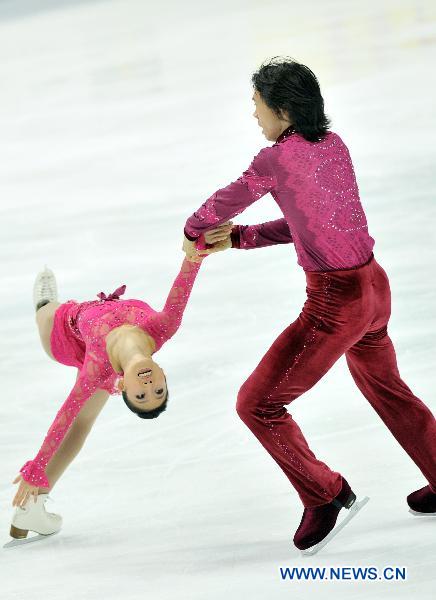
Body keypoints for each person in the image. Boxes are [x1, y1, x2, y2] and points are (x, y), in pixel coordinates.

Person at [181, 56, 436, 552]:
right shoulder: (334, 146)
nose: (254, 115)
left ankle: (325, 493)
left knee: (257, 403)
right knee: (389, 389)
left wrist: (195, 231)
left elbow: (219, 206)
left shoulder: (274, 160)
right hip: (374, 289)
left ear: (283, 109)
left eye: (257, 104)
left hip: (334, 304)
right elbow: (313, 224)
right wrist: (240, 240)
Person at [9, 224, 231, 542]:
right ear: (162, 373)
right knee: (85, 422)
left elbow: (64, 416)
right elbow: (188, 270)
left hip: (62, 334)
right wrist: (199, 246)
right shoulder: (163, 326)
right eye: (158, 390)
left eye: (142, 395)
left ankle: (43, 304)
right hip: (96, 337)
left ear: (124, 385)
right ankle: (35, 506)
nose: (148, 386)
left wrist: (36, 467)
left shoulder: (97, 368)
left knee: (47, 315)